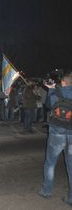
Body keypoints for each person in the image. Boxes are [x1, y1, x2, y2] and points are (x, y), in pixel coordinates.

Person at [39, 73, 72, 206]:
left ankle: (47, 191)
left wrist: (51, 89)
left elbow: (48, 106)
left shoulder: (55, 92)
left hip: (56, 133)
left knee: (50, 163)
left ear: (63, 82)